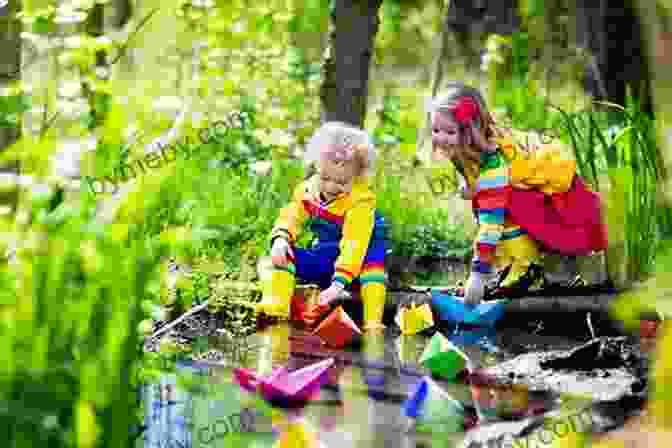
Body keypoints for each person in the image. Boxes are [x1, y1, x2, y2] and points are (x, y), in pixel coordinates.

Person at [430, 82, 608, 305]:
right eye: (436, 130)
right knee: (493, 204)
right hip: (518, 184)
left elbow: (490, 224)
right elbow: (477, 178)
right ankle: (509, 268)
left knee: (503, 211)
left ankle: (525, 268)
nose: (441, 138)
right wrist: (472, 187)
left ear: (471, 132)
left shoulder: (495, 165)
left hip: (548, 185)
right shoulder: (467, 149)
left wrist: (477, 275)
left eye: (449, 131)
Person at [255, 122, 388, 331]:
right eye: (325, 178)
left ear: (359, 176)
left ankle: (373, 323)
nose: (331, 187)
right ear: (316, 166)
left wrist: (338, 284)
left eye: (342, 182)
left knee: (374, 271)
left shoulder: (361, 202)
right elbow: (292, 216)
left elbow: (354, 243)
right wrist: (281, 239)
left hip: (360, 259)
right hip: (328, 254)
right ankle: (277, 309)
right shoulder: (308, 190)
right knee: (279, 256)